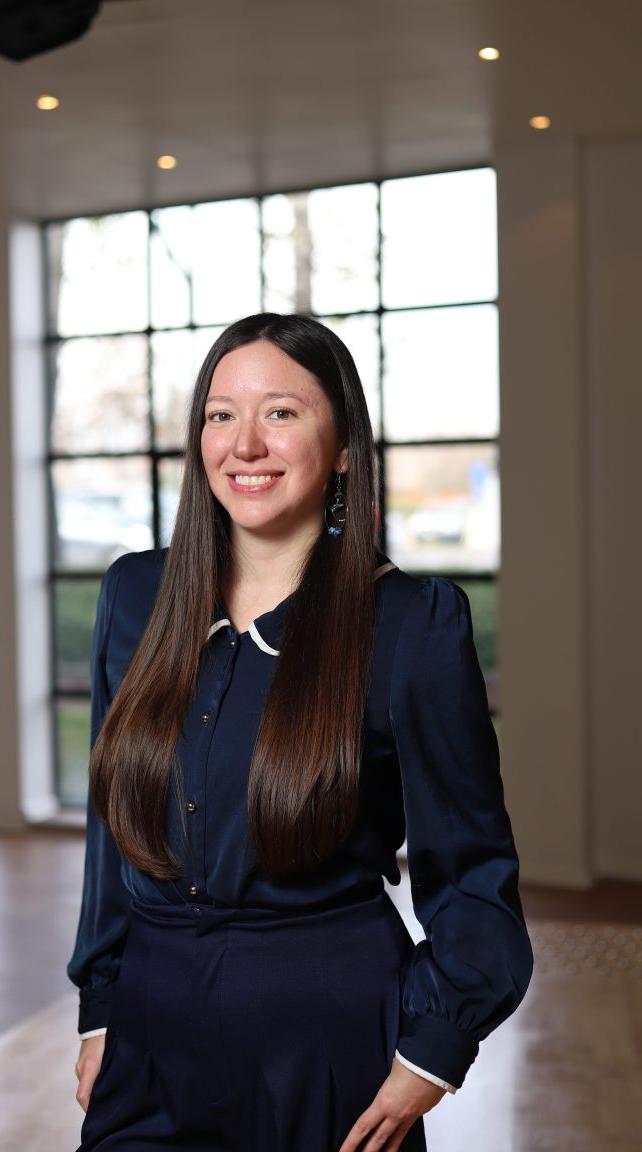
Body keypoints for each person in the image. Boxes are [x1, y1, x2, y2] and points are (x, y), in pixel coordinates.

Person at [67, 313, 533, 1152]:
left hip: (328, 1045)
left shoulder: (412, 625)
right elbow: (114, 836)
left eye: (281, 413)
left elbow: (471, 871)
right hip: (149, 1030)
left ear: (345, 446)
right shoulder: (133, 597)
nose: (244, 444)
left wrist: (429, 1052)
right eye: (220, 415)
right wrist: (100, 1006)